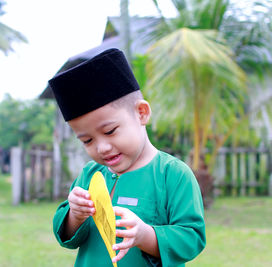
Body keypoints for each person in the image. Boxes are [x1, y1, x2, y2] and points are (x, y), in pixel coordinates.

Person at [49, 48, 206, 267]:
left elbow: (192, 238)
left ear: (141, 113)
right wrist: (75, 214)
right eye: (87, 141)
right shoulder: (90, 174)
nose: (102, 148)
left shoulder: (172, 174)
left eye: (110, 131)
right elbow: (65, 235)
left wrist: (145, 235)